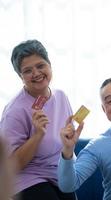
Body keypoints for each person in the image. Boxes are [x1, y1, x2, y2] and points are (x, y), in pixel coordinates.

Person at [0, 40, 75, 200]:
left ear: (50, 66)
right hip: (27, 178)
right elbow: (10, 167)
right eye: (28, 70)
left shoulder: (61, 96)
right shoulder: (14, 111)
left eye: (40, 66)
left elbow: (65, 143)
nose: (36, 73)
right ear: (21, 77)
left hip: (58, 173)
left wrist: (70, 139)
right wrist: (37, 135)